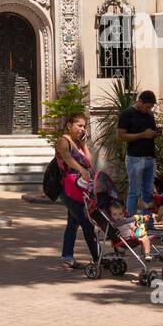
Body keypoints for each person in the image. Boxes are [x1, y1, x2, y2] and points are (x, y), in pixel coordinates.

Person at [54, 112, 99, 272]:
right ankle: (98, 258)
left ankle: (67, 258)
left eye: (84, 126)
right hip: (68, 187)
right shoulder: (63, 141)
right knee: (86, 222)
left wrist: (84, 144)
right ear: (69, 125)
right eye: (79, 125)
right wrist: (80, 168)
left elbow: (89, 161)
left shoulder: (78, 143)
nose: (82, 129)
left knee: (73, 224)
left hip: (81, 187)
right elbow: (67, 158)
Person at [117, 90, 160, 217]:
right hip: (135, 157)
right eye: (147, 107)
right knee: (134, 192)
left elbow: (149, 132)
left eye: (151, 107)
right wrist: (143, 135)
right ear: (140, 102)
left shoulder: (150, 115)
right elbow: (121, 136)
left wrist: (155, 134)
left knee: (148, 192)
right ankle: (130, 222)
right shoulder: (127, 114)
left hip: (149, 157)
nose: (149, 110)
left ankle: (148, 223)